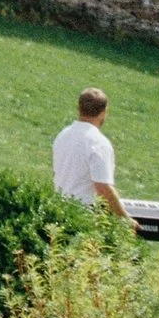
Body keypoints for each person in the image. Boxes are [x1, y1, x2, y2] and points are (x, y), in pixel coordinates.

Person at [52, 88, 132, 222]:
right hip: (83, 215)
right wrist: (126, 219)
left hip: (58, 208)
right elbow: (103, 188)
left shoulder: (63, 135)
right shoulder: (98, 143)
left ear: (78, 108)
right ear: (104, 112)